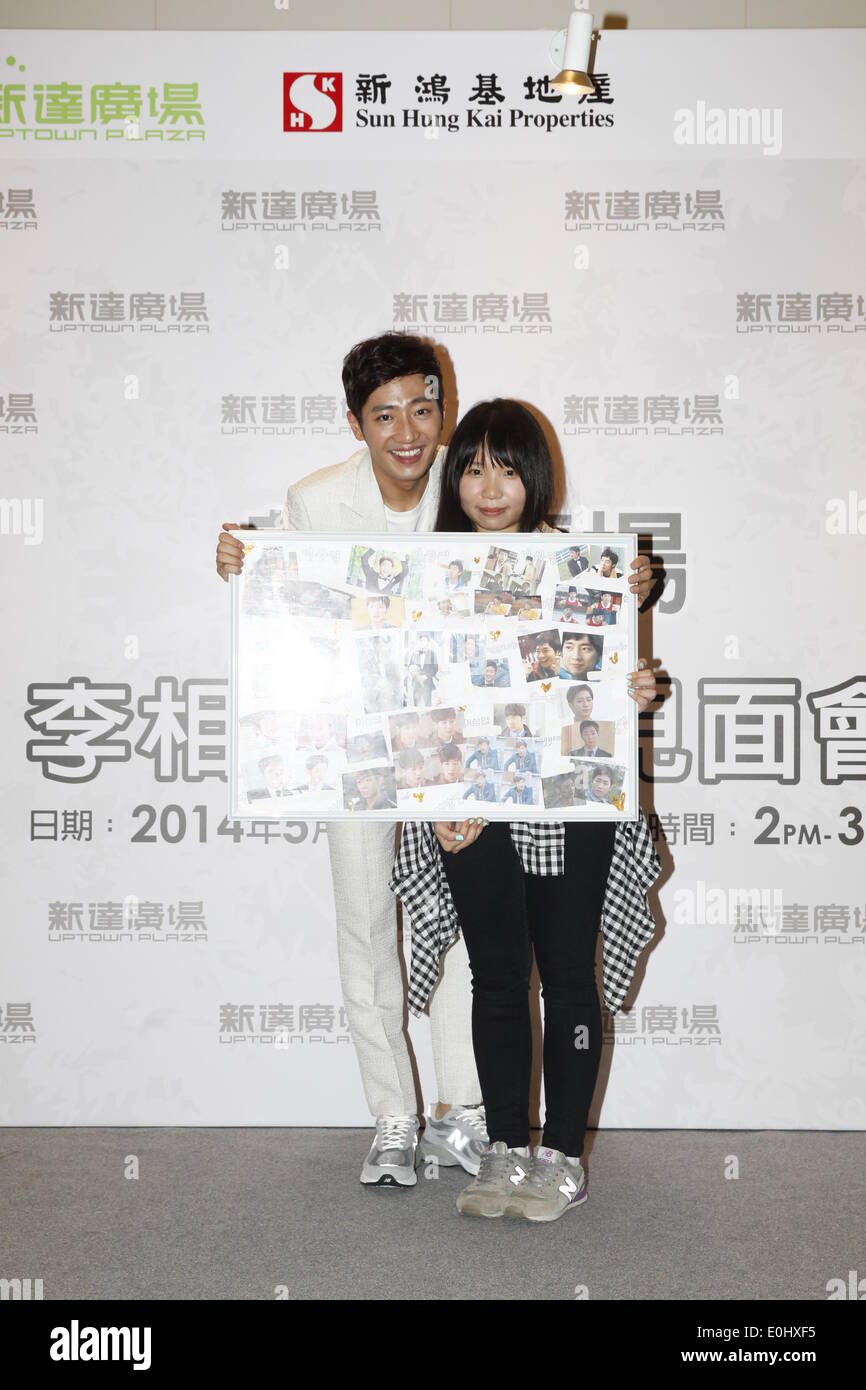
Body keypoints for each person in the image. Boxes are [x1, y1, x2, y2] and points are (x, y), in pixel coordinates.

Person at [217, 345, 654, 1190]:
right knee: (366, 923)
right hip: (355, 746)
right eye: (384, 415)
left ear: (442, 410)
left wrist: (630, 586)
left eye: (423, 409)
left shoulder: (472, 475)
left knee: (475, 940)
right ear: (356, 424)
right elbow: (288, 592)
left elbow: (553, 571)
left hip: (464, 756)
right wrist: (241, 558)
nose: (408, 431)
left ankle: (466, 1113)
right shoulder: (316, 499)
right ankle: (391, 1116)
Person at [389, 397, 660, 1225]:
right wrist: (433, 794)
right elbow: (406, 686)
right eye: (472, 467)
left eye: (507, 466)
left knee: (570, 975)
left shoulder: (583, 565)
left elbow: (610, 681)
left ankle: (566, 1156)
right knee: (498, 976)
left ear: (535, 474)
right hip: (469, 799)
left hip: (571, 796)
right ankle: (507, 1147)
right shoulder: (427, 567)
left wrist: (632, 689)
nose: (489, 485)